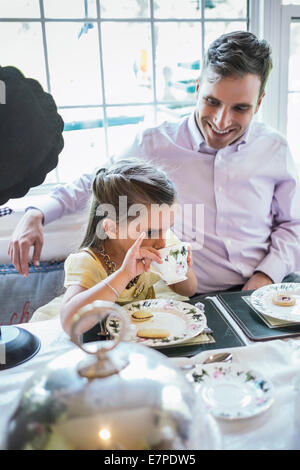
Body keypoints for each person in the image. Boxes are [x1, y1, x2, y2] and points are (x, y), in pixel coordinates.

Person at [9, 31, 300, 294]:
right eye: (212, 102)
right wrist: (37, 213)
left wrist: (265, 276)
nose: (222, 121)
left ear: (259, 104)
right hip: (190, 295)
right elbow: (97, 180)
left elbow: (293, 225)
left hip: (268, 288)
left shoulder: (274, 148)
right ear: (198, 89)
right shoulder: (154, 143)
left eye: (240, 108)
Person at [31, 158, 197, 333]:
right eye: (150, 232)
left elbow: (190, 289)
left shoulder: (161, 242)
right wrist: (124, 274)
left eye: (167, 228)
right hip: (100, 341)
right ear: (112, 229)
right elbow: (72, 324)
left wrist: (180, 269)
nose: (162, 241)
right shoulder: (90, 263)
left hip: (141, 331)